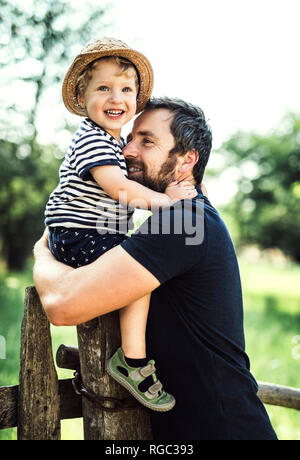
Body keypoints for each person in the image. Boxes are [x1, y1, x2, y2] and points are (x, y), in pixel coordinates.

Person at [34, 97, 278, 440]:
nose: (128, 150)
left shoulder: (182, 223)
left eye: (146, 141)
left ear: (186, 159)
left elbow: (62, 305)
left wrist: (42, 251)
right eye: (129, 138)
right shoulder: (190, 216)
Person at [44, 38, 197, 412]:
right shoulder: (93, 139)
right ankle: (132, 360)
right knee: (138, 274)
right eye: (104, 88)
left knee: (134, 264)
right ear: (82, 98)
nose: (116, 98)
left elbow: (123, 196)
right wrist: (168, 203)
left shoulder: (110, 142)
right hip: (79, 235)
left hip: (83, 232)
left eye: (126, 89)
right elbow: (121, 189)